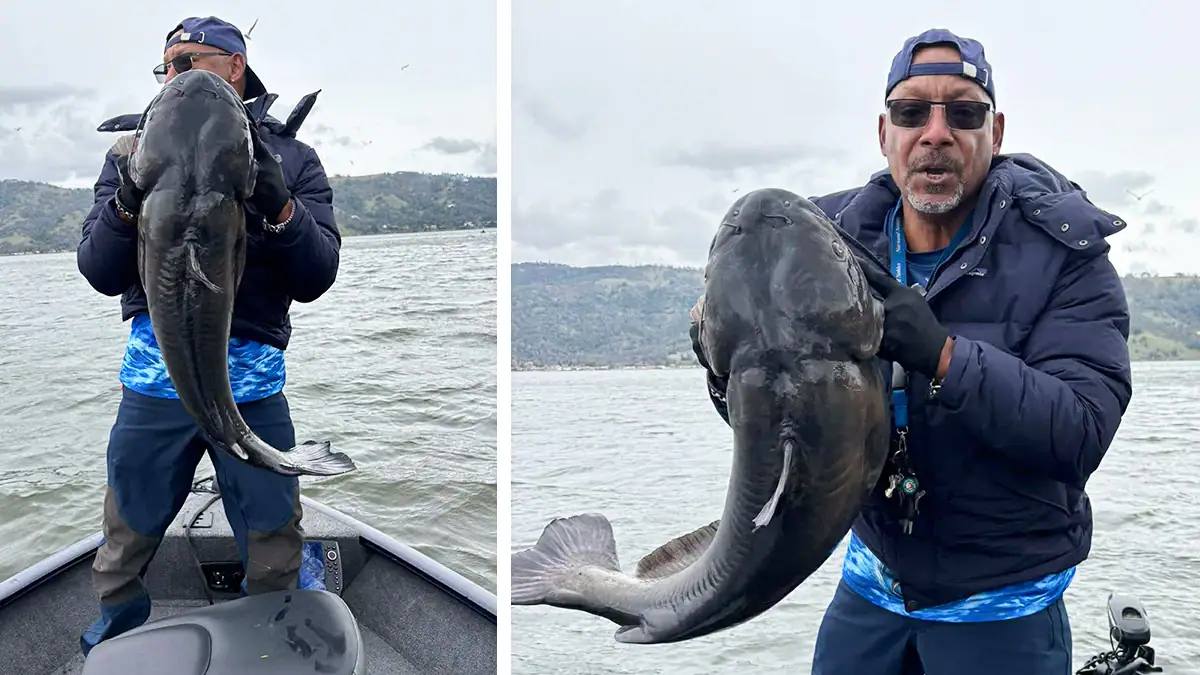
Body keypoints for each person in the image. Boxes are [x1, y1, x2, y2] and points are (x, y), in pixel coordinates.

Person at [690, 28, 1133, 673]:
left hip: (1001, 607)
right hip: (871, 589)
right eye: (911, 112)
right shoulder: (827, 240)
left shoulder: (1068, 259)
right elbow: (788, 424)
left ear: (996, 131)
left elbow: (1079, 431)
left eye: (963, 112)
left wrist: (944, 355)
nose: (935, 132)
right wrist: (721, 362)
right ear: (884, 132)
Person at [75, 15, 341, 656]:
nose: (178, 73)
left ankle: (272, 643)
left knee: (273, 533)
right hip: (152, 384)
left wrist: (279, 206)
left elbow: (316, 275)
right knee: (126, 534)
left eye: (193, 59)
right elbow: (98, 270)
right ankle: (115, 641)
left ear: (235, 67)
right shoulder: (130, 152)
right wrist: (127, 200)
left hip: (251, 384)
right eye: (168, 65)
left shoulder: (294, 158)